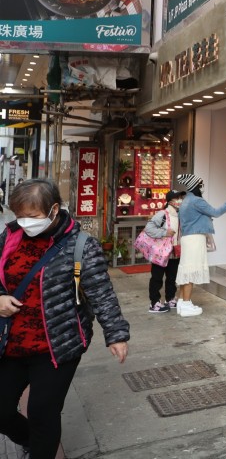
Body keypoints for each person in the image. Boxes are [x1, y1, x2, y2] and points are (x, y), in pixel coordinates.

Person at [0, 179, 129, 459]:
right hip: (10, 343)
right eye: (19, 215)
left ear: (54, 209)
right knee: (2, 410)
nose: (24, 222)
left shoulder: (80, 246)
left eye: (32, 217)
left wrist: (116, 333)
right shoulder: (9, 236)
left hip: (57, 344)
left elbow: (101, 293)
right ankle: (28, 440)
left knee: (42, 412)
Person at [175, 174, 226, 317]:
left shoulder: (186, 201)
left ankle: (182, 301)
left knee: (186, 270)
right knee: (191, 271)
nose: (202, 187)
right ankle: (186, 304)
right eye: (200, 184)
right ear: (195, 186)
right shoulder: (197, 201)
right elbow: (215, 212)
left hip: (187, 238)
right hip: (195, 239)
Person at [144, 191, 185, 314]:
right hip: (161, 252)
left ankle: (170, 299)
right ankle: (154, 303)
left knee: (172, 277)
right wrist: (164, 233)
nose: (180, 200)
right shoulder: (162, 214)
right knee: (157, 277)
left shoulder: (180, 215)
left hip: (174, 252)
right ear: (171, 201)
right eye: (178, 198)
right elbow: (148, 229)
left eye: (180, 198)